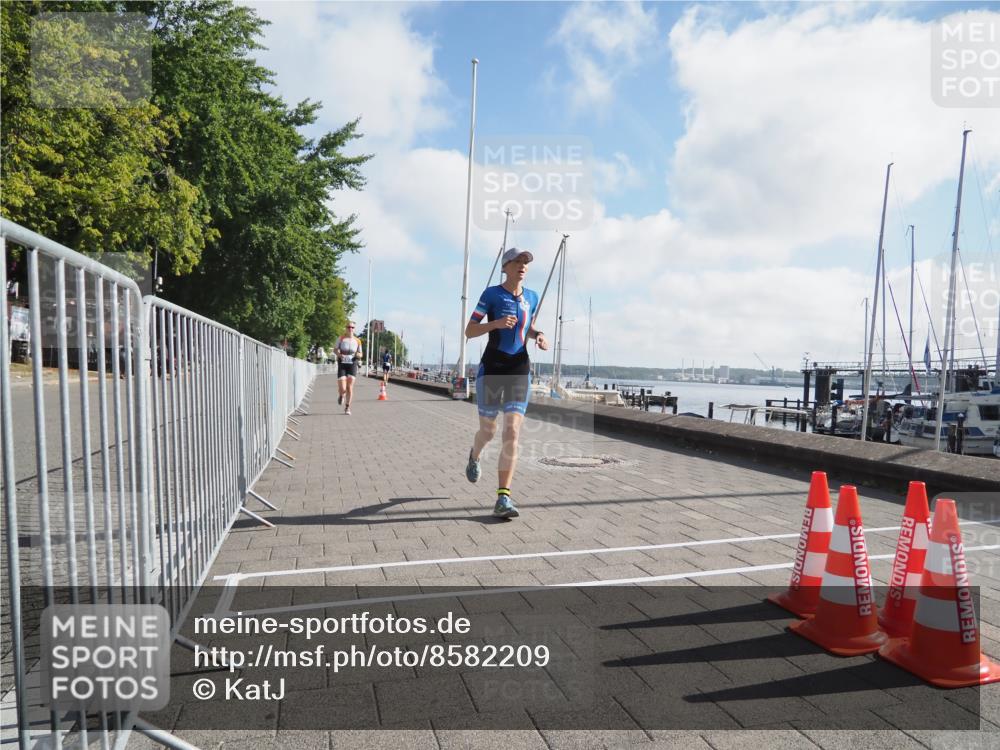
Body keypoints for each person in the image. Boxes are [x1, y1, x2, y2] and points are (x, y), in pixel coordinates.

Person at [463, 248, 549, 519]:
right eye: (517, 261)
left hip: (519, 368)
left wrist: (539, 336)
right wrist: (496, 323)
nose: (523, 266)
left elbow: (527, 328)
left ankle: (503, 497)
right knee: (488, 432)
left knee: (512, 431)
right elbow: (470, 330)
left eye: (526, 262)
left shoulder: (532, 297)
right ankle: (475, 456)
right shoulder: (491, 295)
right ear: (506, 266)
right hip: (492, 368)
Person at [334, 322, 362, 415]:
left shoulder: (357, 341)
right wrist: (339, 354)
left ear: (354, 329)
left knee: (349, 387)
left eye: (352, 327)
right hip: (342, 363)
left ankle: (347, 407)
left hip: (352, 363)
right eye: (349, 327)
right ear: (346, 328)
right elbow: (335, 349)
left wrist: (357, 355)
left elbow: (361, 354)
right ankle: (341, 395)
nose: (350, 329)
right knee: (342, 388)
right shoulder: (341, 338)